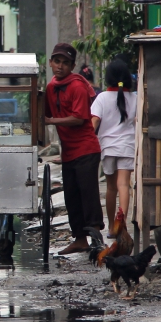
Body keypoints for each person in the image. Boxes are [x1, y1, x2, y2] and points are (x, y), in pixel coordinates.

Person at [45, 43, 105, 254]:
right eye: (57, 62)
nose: (60, 66)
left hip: (86, 149)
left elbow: (80, 119)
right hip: (68, 152)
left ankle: (97, 240)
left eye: (66, 63)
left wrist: (50, 121)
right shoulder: (51, 87)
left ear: (72, 66)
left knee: (88, 195)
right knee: (71, 196)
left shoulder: (77, 86)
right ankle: (80, 240)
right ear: (51, 63)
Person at [91, 59, 137, 233]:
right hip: (127, 146)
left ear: (107, 78)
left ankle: (111, 227)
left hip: (108, 147)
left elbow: (94, 120)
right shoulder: (134, 98)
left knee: (111, 187)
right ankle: (121, 226)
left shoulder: (101, 98)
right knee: (123, 185)